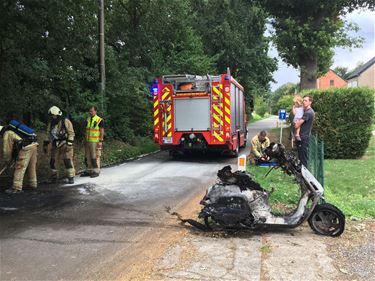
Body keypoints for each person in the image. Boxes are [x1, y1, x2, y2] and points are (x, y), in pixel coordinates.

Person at [0, 123, 38, 193]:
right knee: (31, 166)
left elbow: (7, 150)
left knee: (19, 166)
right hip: (34, 144)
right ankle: (32, 184)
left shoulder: (7, 134)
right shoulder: (12, 130)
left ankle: (16, 188)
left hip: (26, 147)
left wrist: (7, 161)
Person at [43, 106, 75, 184]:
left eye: (53, 115)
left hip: (65, 143)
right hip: (55, 143)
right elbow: (48, 134)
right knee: (52, 161)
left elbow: (71, 133)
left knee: (67, 160)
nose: (52, 117)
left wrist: (69, 144)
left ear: (57, 115)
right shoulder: (51, 123)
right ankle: (54, 176)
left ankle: (71, 177)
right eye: (51, 116)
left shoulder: (65, 121)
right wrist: (45, 144)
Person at [81, 106, 104, 178]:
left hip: (95, 141)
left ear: (95, 111)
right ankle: (89, 171)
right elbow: (86, 130)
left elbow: (102, 130)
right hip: (88, 141)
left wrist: (100, 140)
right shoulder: (88, 119)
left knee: (94, 156)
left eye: (92, 111)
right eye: (89, 111)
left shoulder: (99, 120)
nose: (90, 112)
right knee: (87, 156)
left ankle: (96, 171)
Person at [294, 95, 315, 168]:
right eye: (303, 100)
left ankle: (305, 177)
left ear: (310, 102)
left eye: (306, 100)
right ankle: (300, 176)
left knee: (303, 160)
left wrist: (296, 122)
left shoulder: (308, 113)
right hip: (302, 137)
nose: (303, 102)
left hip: (303, 138)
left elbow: (296, 125)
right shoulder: (306, 111)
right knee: (300, 158)